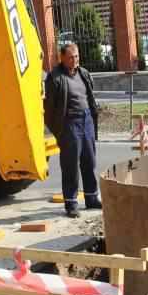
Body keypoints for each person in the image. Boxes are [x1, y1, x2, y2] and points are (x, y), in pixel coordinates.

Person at [44, 43, 101, 218]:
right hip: (69, 124)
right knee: (70, 166)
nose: (74, 60)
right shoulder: (55, 78)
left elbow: (90, 97)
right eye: (71, 57)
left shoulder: (83, 73)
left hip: (87, 121)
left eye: (76, 56)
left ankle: (91, 197)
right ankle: (71, 203)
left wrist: (93, 117)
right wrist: (60, 131)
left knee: (89, 161)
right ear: (62, 58)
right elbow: (50, 110)